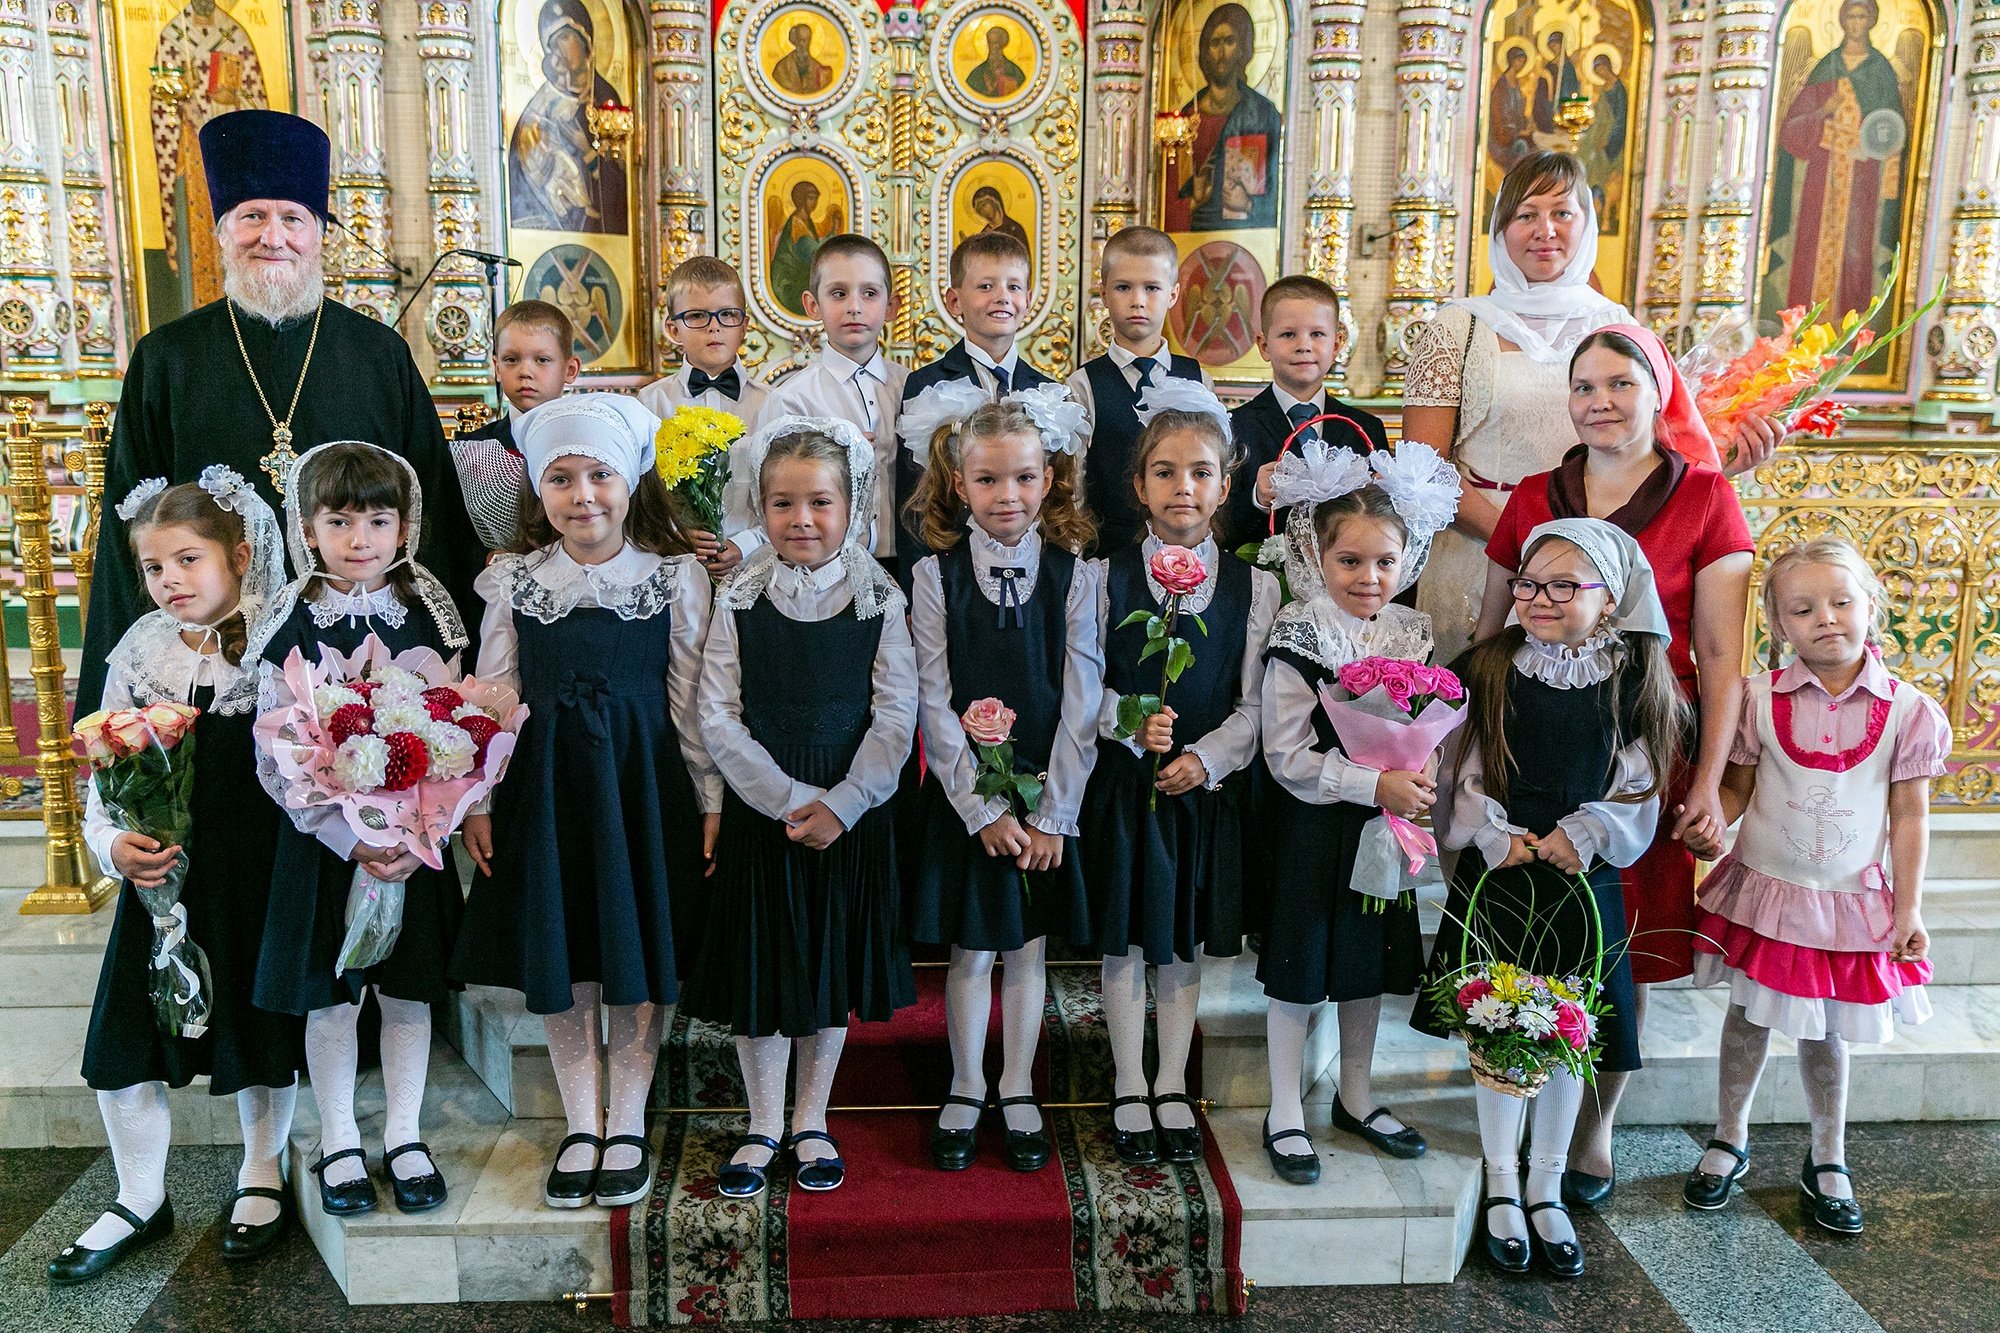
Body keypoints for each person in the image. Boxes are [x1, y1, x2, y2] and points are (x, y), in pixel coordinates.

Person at [1476, 324, 1756, 1207]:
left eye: (1620, 384)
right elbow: (1490, 631)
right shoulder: (1536, 494)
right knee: (1532, 934)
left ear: (1658, 392)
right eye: (1584, 386)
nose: (1600, 401)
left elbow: (1721, 654)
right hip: (1538, 744)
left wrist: (1706, 782)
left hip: (1646, 750)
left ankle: (1593, 1127)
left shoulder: (1704, 495)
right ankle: (1517, 1104)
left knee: (1622, 944)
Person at [80, 108, 478, 714]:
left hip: (359, 662)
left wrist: (449, 683)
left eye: (293, 218)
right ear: (222, 231)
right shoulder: (167, 358)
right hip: (212, 661)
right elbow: (129, 528)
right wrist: (124, 707)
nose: (273, 237)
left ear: (319, 234)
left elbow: (431, 515)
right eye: (253, 217)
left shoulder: (378, 354)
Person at [454, 395, 718, 1211]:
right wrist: (478, 797)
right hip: (547, 787)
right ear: (539, 489)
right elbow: (493, 693)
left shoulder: (672, 576)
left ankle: (627, 1120)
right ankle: (581, 1123)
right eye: (561, 478)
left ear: (630, 480)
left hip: (642, 784)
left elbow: (691, 697)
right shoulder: (516, 579)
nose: (583, 495)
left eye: (600, 474)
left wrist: (710, 794)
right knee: (565, 950)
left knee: (634, 951)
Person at [1421, 518, 1686, 1279]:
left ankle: (1547, 1183)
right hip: (1501, 873)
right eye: (1529, 583)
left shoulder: (1633, 677)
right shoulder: (1490, 666)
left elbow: (1640, 779)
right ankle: (1503, 1180)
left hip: (1580, 879)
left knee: (1570, 1030)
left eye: (1564, 586)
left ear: (1611, 599)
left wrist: (1587, 832)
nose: (1538, 598)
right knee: (1497, 1024)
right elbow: (1459, 765)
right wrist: (1490, 832)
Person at [51, 471, 297, 1285]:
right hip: (161, 880)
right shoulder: (140, 648)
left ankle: (262, 1169)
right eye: (154, 567)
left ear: (239, 555)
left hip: (253, 872)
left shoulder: (279, 639)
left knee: (258, 1031)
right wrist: (112, 846)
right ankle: (138, 1194)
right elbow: (102, 770)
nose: (170, 581)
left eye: (188, 559)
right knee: (125, 1037)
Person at [1402, 152, 1780, 666]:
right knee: (1483, 684)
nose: (1545, 230)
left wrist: (1727, 461)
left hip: (1597, 563)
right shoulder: (1458, 327)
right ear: (1500, 227)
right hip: (1479, 552)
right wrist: (1524, 543)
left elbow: (1656, 449)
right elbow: (1422, 469)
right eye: (1526, 214)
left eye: (1563, 213)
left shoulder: (1618, 326)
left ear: (1588, 224)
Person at [1678, 537, 1946, 1235]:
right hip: (1767, 892)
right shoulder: (1756, 700)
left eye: (1841, 601)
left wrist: (1909, 906)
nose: (1825, 617)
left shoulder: (1909, 710)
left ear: (1871, 606)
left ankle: (1828, 1155)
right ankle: (1729, 1136)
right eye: (1802, 609)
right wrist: (1713, 822)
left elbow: (1909, 817)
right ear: (1777, 624)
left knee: (1827, 1031)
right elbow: (1737, 789)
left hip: (1846, 903)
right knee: (1747, 1016)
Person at [682, 417, 918, 1197]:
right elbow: (717, 712)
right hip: (766, 809)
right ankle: (762, 1122)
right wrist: (788, 799)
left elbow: (896, 714)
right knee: (765, 967)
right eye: (783, 503)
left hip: (850, 811)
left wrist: (844, 803)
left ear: (853, 506)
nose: (802, 519)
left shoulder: (879, 597)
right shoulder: (739, 595)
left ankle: (811, 1117)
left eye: (821, 501)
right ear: (760, 507)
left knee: (825, 963)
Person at [247, 441, 469, 1220]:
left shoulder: (428, 610)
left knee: (407, 992)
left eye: (378, 520)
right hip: (323, 848)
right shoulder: (288, 618)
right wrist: (349, 839)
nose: (360, 538)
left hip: (410, 845)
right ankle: (340, 1135)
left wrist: (422, 829)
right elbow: (276, 753)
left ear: (405, 524)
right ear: (307, 528)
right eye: (339, 521)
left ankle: (405, 1133)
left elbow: (460, 729)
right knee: (333, 997)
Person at [903, 389, 1101, 1173]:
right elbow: (932, 696)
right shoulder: (934, 576)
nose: (1007, 495)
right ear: (960, 483)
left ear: (1048, 478)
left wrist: (1054, 813)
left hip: (1046, 792)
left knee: (1027, 950)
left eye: (1023, 477)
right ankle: (964, 1084)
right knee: (972, 950)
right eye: (987, 480)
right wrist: (980, 807)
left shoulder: (1076, 576)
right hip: (969, 803)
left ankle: (1017, 1086)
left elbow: (1083, 698)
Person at [1082, 383, 1278, 1166]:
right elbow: (1082, 684)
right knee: (1129, 938)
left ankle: (1170, 1079)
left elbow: (1255, 704)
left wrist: (1208, 757)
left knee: (1182, 939)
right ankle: (1128, 1079)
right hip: (1127, 789)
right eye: (1164, 472)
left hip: (1201, 790)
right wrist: (1130, 723)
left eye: (1200, 473)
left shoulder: (1254, 587)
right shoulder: (1102, 578)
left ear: (1226, 486)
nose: (1182, 488)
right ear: (1138, 484)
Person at [1257, 439, 1460, 1182]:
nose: (1368, 577)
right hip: (1314, 823)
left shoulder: (1411, 632)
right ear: (1316, 556)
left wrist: (1422, 768)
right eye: (1349, 561)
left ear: (1408, 560)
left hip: (1382, 829)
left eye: (1384, 562)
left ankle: (1357, 1094)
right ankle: (1285, 1107)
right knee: (1300, 961)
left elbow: (1428, 721)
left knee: (1365, 961)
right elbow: (1284, 753)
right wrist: (1372, 785)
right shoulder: (1300, 631)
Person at [897, 233, 1054, 577]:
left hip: (1031, 567)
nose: (1002, 296)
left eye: (1014, 287)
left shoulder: (1049, 391)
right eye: (985, 286)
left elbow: (1055, 496)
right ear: (955, 301)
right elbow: (914, 496)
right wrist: (916, 581)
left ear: (1028, 300)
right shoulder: (927, 384)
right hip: (949, 565)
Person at [758, 234, 908, 571]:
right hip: (824, 566)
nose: (854, 306)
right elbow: (773, 492)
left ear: (891, 307)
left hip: (906, 561)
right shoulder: (792, 399)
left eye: (869, 293)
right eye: (838, 293)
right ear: (813, 305)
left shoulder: (910, 388)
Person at [1065, 225, 1210, 555]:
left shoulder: (1198, 379)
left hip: (1185, 552)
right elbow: (1074, 488)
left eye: (1151, 288)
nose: (1138, 301)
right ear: (1104, 295)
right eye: (1123, 287)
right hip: (1108, 554)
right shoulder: (1083, 385)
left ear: (1173, 294)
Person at [1227, 275, 1390, 550]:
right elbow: (1221, 524)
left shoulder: (1365, 429)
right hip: (1264, 570)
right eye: (1288, 334)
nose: (1304, 345)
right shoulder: (1236, 427)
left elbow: (1385, 522)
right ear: (1264, 346)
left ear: (1336, 345)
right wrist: (1257, 498)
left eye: (1317, 334)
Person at [640, 256, 772, 578]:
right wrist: (675, 535)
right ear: (673, 328)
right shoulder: (650, 403)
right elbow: (640, 497)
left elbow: (786, 497)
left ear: (744, 326)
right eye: (697, 316)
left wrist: (746, 543)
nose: (714, 327)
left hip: (755, 567)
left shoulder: (772, 404)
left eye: (727, 314)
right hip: (675, 566)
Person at [452, 300, 580, 552]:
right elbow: (456, 535)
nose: (525, 372)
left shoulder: (589, 444)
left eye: (542, 360)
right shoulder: (472, 450)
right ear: (496, 368)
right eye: (511, 360)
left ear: (570, 369)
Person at [508, 0, 628, 234]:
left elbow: (621, 182)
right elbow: (522, 174)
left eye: (564, 38)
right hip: (553, 221)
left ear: (585, 40)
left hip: (601, 230)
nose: (559, 50)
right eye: (553, 44)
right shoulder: (541, 105)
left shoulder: (606, 98)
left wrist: (588, 152)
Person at [1163, 3, 1281, 230]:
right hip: (1192, 235)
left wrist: (1248, 204)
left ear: (1243, 48)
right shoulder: (1184, 118)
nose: (1221, 52)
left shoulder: (1263, 115)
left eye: (1229, 41)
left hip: (1246, 238)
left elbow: (1278, 192)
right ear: (1205, 50)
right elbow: (1165, 198)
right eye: (1214, 43)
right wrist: (1193, 201)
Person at [770, 181, 831, 318]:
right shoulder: (796, 223)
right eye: (811, 198)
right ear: (801, 199)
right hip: (789, 283)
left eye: (816, 198)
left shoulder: (806, 221)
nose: (815, 203)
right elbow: (812, 252)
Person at [770, 21, 833, 95]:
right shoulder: (781, 68)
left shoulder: (818, 68)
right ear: (794, 41)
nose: (804, 44)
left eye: (807, 40)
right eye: (801, 40)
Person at [965, 25, 1027, 98]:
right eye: (990, 43)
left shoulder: (1014, 71)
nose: (992, 47)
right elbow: (970, 91)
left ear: (1002, 44)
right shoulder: (978, 72)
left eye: (995, 43)